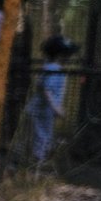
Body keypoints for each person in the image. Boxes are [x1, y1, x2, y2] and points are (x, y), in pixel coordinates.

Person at [23, 35, 76, 164]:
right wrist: (56, 108)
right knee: (41, 138)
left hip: (43, 111)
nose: (69, 57)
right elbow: (47, 91)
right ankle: (36, 167)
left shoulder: (50, 67)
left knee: (42, 137)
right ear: (59, 55)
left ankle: (36, 165)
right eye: (66, 54)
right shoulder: (54, 69)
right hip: (41, 110)